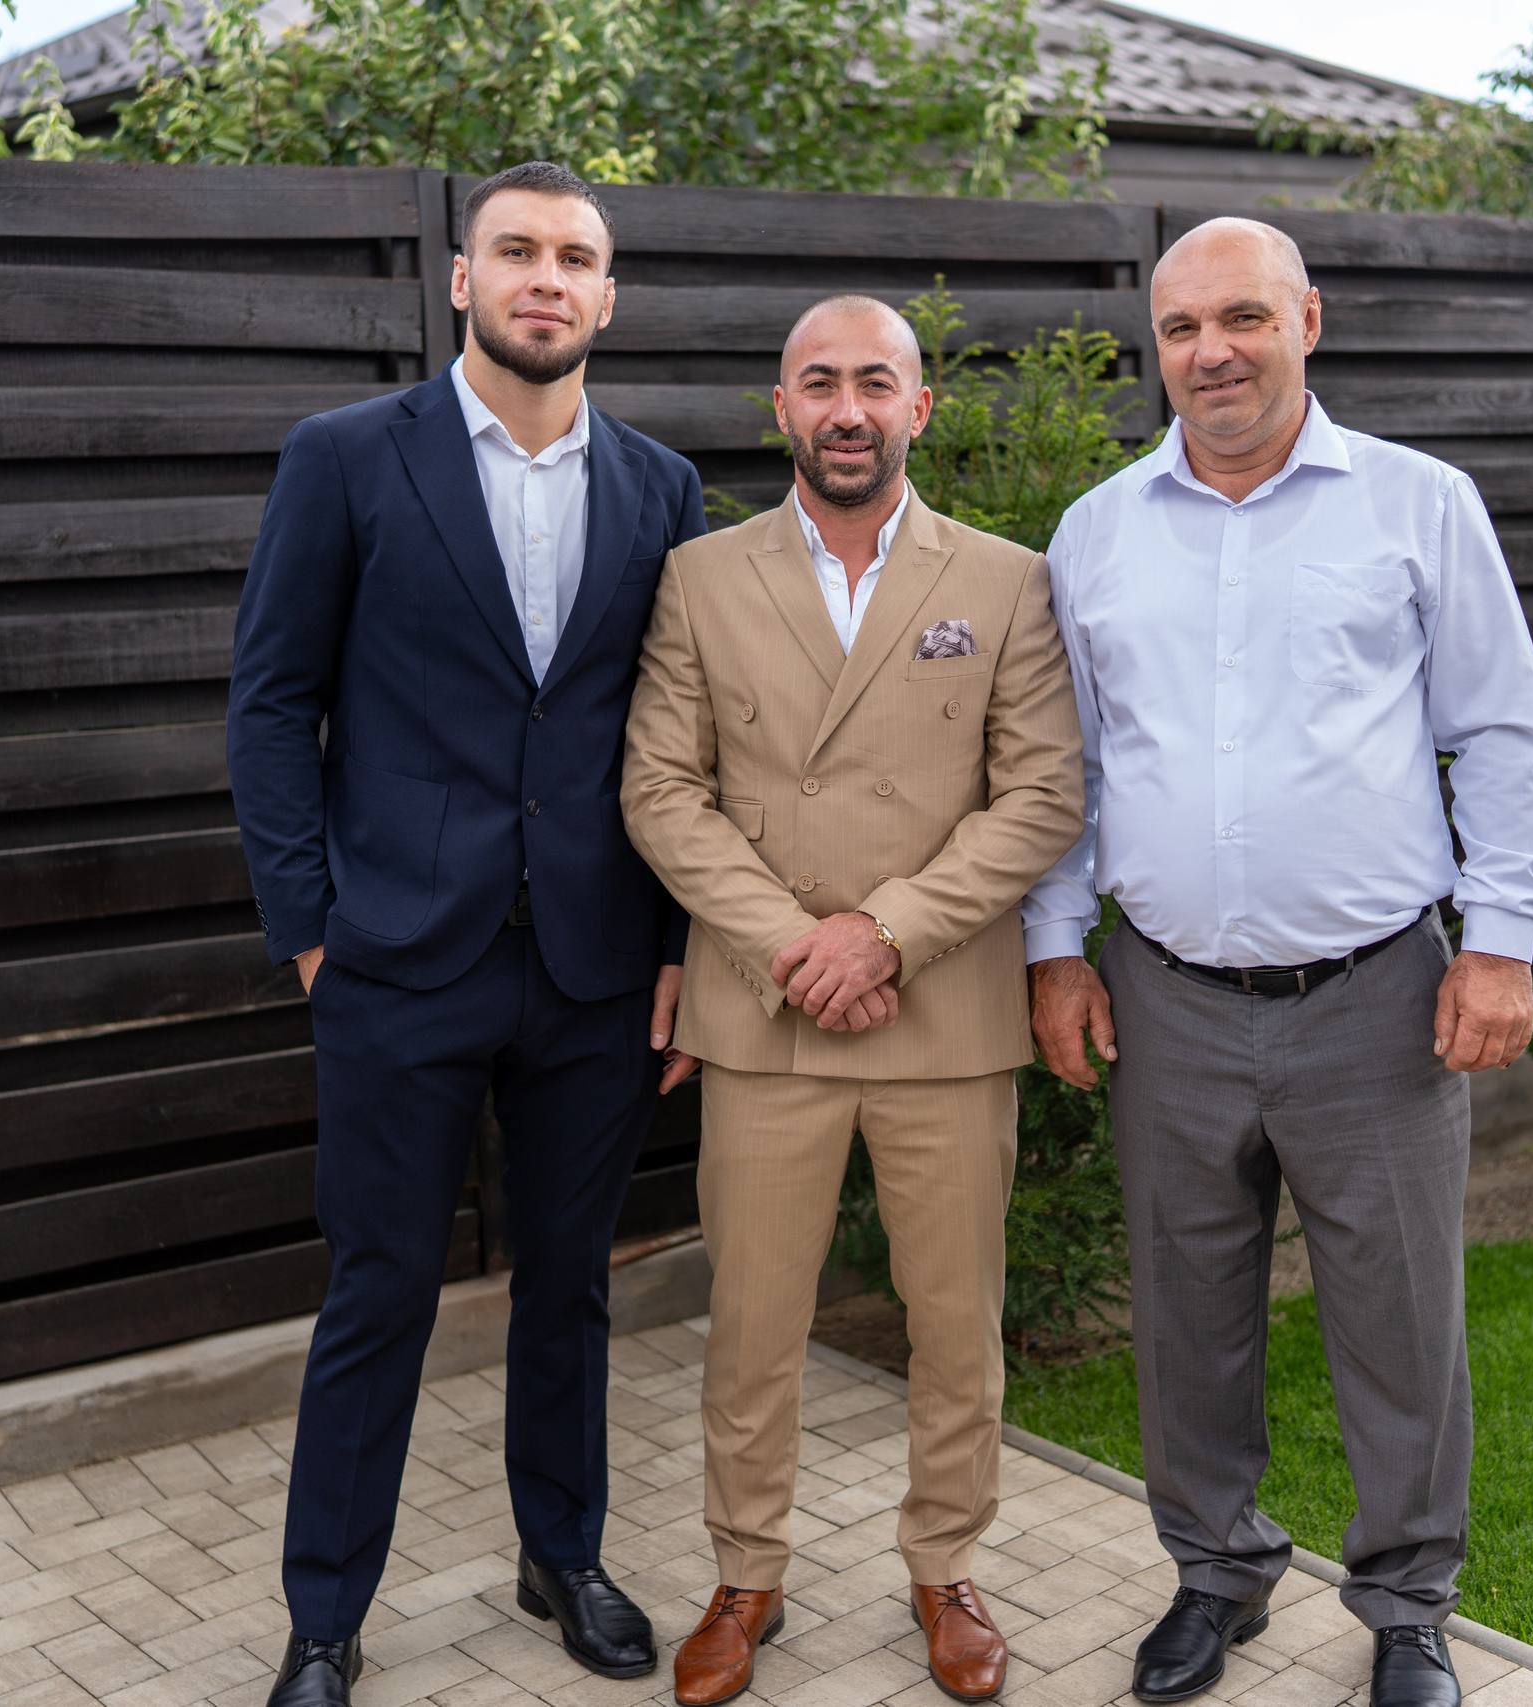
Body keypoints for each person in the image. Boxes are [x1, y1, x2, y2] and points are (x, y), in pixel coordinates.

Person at [1021, 218, 1533, 1707]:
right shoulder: (1098, 532)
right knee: (1185, 1317)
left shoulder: (1417, 506)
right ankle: (1215, 1572)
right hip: (1168, 998)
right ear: (1158, 345)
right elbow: (1067, 766)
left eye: (1244, 317)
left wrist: (1502, 939)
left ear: (1307, 321)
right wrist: (1057, 951)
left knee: (1399, 1324)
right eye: (1184, 327)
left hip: (1376, 1000)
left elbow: (1502, 733)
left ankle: (1406, 1610)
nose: (1213, 353)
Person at [226, 161, 707, 1707]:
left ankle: (559, 1555)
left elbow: (681, 741)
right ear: (461, 278)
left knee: (570, 1282)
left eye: (576, 257)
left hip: (594, 966)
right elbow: (270, 704)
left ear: (609, 295)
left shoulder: (660, 488)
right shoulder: (348, 457)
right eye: (518, 252)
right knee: (379, 1292)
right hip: (394, 961)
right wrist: (312, 929)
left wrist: (685, 948)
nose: (546, 279)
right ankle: (323, 1618)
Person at [622, 295, 1085, 1707]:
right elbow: (660, 790)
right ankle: (745, 1575)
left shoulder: (1004, 580)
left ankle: (945, 1567)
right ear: (781, 410)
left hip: (939, 1010)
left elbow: (1044, 795)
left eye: (874, 383)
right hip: (767, 1013)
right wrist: (792, 946)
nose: (846, 408)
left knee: (957, 1323)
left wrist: (881, 933)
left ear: (918, 408)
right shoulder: (700, 577)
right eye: (817, 383)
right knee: (755, 1323)